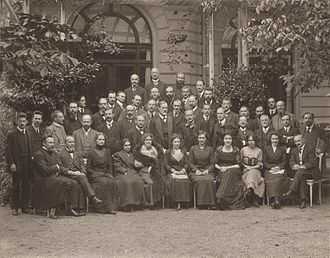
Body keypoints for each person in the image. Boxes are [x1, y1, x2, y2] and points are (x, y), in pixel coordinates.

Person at [33, 135, 81, 218]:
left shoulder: (54, 153)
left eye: (53, 142)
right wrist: (56, 167)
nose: (52, 144)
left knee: (73, 182)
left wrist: (71, 172)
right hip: (43, 179)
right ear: (44, 143)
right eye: (50, 142)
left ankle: (70, 208)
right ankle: (52, 210)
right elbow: (44, 170)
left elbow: (60, 167)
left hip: (54, 177)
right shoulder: (39, 154)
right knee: (60, 182)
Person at [58, 136, 102, 209]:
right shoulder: (60, 154)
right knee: (82, 177)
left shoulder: (77, 153)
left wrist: (83, 172)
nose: (72, 144)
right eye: (70, 142)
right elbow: (60, 167)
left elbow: (82, 165)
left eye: (73, 142)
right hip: (68, 174)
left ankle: (81, 207)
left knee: (82, 176)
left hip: (79, 174)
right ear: (65, 143)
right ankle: (92, 197)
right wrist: (72, 172)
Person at [6, 112, 32, 215]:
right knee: (16, 185)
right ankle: (15, 207)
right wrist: (12, 163)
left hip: (26, 163)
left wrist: (30, 162)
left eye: (24, 121)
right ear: (17, 122)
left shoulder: (27, 133)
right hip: (17, 163)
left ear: (26, 122)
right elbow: (8, 151)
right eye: (20, 121)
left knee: (26, 184)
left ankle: (24, 207)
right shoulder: (11, 134)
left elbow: (29, 148)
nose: (22, 123)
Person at [284, 135, 318, 209]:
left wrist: (303, 166)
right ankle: (303, 200)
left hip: (310, 171)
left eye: (298, 141)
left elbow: (312, 162)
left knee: (300, 172)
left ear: (303, 140)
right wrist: (294, 165)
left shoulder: (310, 149)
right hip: (300, 173)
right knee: (301, 176)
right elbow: (291, 161)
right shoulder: (294, 150)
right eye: (295, 141)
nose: (297, 143)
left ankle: (291, 190)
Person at [86, 133, 118, 214]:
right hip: (95, 175)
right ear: (96, 141)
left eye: (103, 140)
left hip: (105, 174)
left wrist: (110, 174)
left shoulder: (107, 151)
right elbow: (88, 168)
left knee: (112, 182)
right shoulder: (91, 152)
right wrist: (96, 174)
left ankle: (111, 207)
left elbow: (110, 165)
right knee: (103, 183)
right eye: (99, 139)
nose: (101, 141)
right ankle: (101, 208)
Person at [214, 134, 245, 210]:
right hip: (221, 170)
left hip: (234, 170)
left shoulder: (236, 150)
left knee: (230, 172)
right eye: (226, 138)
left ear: (232, 140)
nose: (228, 140)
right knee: (226, 175)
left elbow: (238, 165)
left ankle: (220, 197)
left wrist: (227, 168)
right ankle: (222, 199)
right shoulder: (219, 149)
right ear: (223, 140)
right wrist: (220, 168)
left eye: (229, 139)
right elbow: (215, 163)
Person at [113, 138, 145, 211]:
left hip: (132, 172)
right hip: (122, 173)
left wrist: (138, 165)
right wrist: (124, 171)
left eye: (129, 145)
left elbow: (136, 164)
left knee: (138, 181)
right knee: (127, 182)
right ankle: (126, 204)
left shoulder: (133, 154)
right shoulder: (118, 154)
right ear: (122, 146)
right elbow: (117, 165)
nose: (128, 147)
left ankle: (137, 204)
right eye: (126, 145)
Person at [134, 133, 165, 206]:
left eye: (150, 140)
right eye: (146, 140)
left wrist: (152, 166)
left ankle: (157, 202)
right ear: (143, 141)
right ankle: (150, 203)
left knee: (159, 181)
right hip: (143, 170)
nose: (148, 141)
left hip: (154, 170)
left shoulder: (155, 150)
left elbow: (157, 161)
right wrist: (147, 165)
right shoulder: (139, 150)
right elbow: (137, 164)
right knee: (150, 182)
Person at [188, 130, 215, 208]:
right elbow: (190, 163)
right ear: (197, 139)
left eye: (203, 138)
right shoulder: (193, 148)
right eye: (200, 138)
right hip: (196, 171)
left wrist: (208, 170)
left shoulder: (210, 149)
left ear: (206, 139)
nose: (201, 140)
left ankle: (210, 203)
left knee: (209, 180)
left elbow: (212, 163)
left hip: (207, 170)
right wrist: (196, 170)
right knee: (200, 180)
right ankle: (201, 204)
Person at [263, 132, 290, 209]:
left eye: (276, 139)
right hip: (269, 170)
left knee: (279, 178)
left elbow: (284, 161)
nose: (275, 140)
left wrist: (279, 167)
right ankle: (274, 200)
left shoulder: (282, 149)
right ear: (270, 140)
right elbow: (264, 161)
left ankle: (277, 200)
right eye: (273, 139)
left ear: (279, 140)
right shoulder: (266, 149)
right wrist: (271, 167)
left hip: (280, 169)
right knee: (272, 178)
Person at [164, 134, 191, 208]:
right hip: (172, 172)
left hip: (182, 171)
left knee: (185, 180)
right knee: (174, 181)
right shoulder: (168, 152)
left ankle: (184, 202)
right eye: (175, 142)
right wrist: (172, 170)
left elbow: (186, 163)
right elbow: (166, 164)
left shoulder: (183, 151)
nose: (177, 143)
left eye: (178, 142)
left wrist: (184, 169)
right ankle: (175, 203)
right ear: (172, 142)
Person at [240, 134, 264, 207]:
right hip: (245, 170)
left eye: (253, 140)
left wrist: (252, 168)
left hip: (256, 170)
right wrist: (246, 167)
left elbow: (260, 163)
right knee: (250, 174)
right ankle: (252, 196)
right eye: (249, 140)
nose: (251, 142)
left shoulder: (259, 151)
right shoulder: (243, 150)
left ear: (255, 141)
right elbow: (240, 161)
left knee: (252, 173)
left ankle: (250, 192)